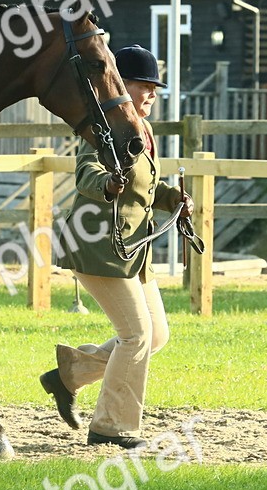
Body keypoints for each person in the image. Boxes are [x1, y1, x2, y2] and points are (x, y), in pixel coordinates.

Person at [39, 44, 194, 450]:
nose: (152, 94)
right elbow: (86, 172)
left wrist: (172, 198)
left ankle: (70, 374)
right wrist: (106, 185)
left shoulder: (144, 129)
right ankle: (111, 427)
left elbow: (144, 187)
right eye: (144, 86)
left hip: (133, 250)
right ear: (120, 84)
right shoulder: (103, 127)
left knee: (156, 335)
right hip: (98, 247)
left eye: (154, 88)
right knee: (136, 336)